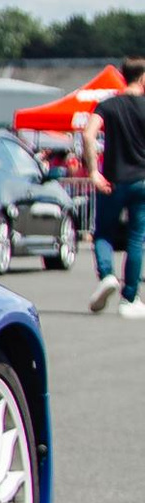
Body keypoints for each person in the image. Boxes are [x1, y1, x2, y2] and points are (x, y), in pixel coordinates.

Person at [89, 61, 145, 314]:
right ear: (142, 79)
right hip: (142, 182)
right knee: (136, 238)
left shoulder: (108, 105)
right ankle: (130, 299)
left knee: (103, 232)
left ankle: (106, 275)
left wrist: (93, 172)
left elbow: (88, 134)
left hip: (112, 180)